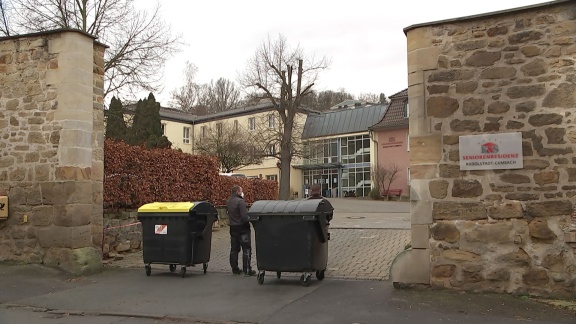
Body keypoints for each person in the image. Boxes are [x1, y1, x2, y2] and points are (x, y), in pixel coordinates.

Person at [226, 185, 256, 276]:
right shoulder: (240, 202)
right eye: (241, 191)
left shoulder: (229, 201)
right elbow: (244, 216)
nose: (242, 193)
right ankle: (247, 269)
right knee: (246, 249)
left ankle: (235, 269)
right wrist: (249, 222)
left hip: (233, 228)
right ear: (237, 192)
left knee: (234, 249)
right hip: (242, 228)